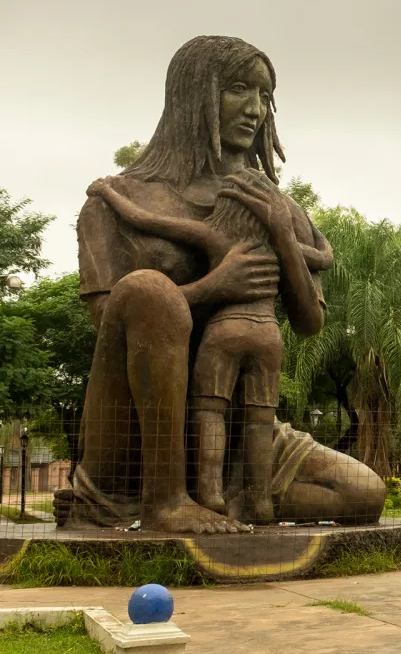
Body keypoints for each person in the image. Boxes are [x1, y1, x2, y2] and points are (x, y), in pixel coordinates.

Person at [64, 35, 386, 534]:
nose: (255, 109)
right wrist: (215, 286)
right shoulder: (115, 201)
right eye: (238, 89)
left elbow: (309, 322)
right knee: (148, 288)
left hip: (237, 431)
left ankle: (232, 499)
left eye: (265, 95)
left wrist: (282, 232)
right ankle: (165, 501)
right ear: (193, 95)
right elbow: (114, 322)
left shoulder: (272, 203)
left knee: (363, 493)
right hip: (137, 432)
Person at [86, 173, 332, 525]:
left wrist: (107, 192)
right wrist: (284, 231)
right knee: (260, 418)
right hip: (267, 336)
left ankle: (210, 495)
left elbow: (146, 219)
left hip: (225, 333)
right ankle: (259, 501)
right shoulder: (279, 245)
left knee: (209, 410)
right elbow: (323, 257)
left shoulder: (216, 236)